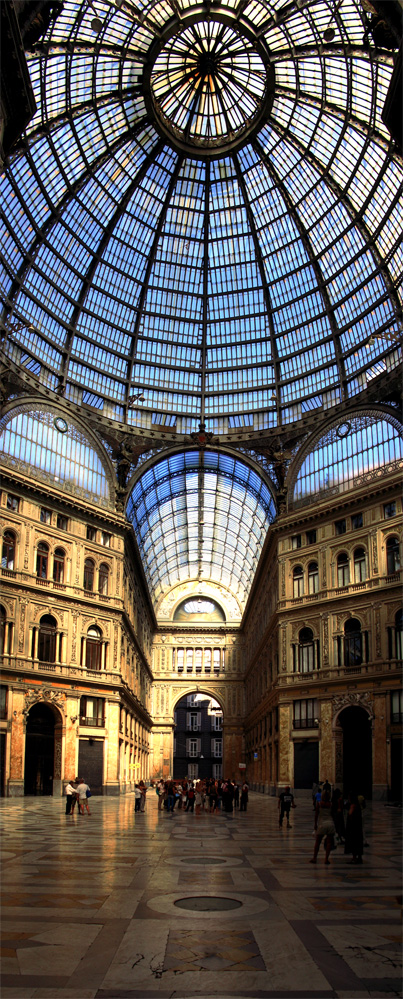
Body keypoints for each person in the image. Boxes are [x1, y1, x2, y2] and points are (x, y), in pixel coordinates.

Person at [310, 790, 335, 865]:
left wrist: (315, 824)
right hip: (330, 823)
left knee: (318, 841)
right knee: (329, 843)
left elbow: (316, 815)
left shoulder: (319, 804)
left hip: (321, 824)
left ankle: (314, 858)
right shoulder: (331, 804)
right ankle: (326, 859)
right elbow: (333, 814)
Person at [344, 791, 364, 863]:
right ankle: (359, 857)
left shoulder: (353, 805)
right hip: (358, 827)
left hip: (353, 827)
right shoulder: (358, 805)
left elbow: (350, 813)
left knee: (353, 841)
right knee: (358, 841)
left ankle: (354, 858)